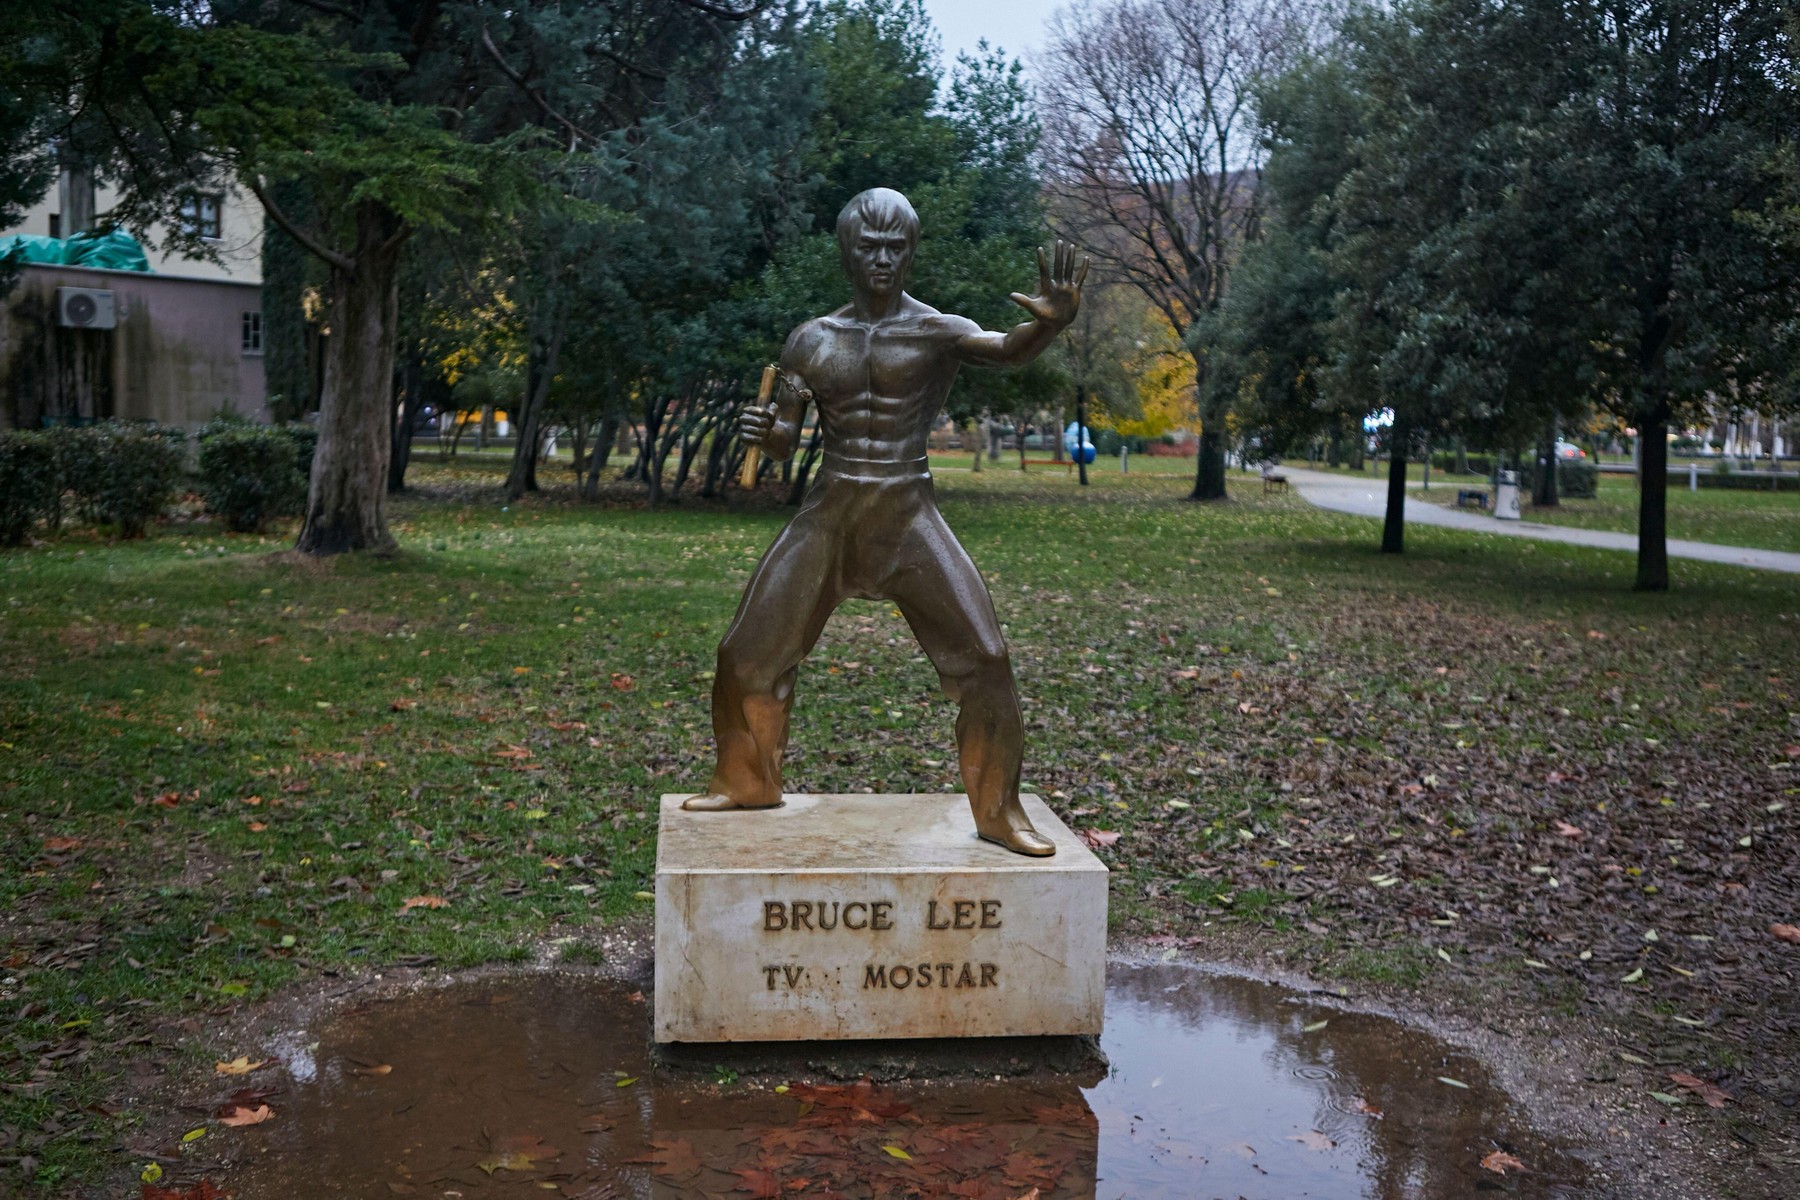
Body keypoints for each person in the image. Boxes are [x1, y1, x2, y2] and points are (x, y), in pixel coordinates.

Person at [684, 187, 1086, 856]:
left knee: (986, 659)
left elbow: (1006, 347)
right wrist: (768, 430)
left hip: (906, 511)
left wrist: (1048, 324)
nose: (882, 258)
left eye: (895, 247)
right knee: (745, 652)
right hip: (832, 510)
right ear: (847, 251)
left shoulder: (936, 330)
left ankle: (998, 811)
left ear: (911, 253)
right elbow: (784, 439)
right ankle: (746, 778)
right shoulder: (812, 339)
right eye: (869, 246)